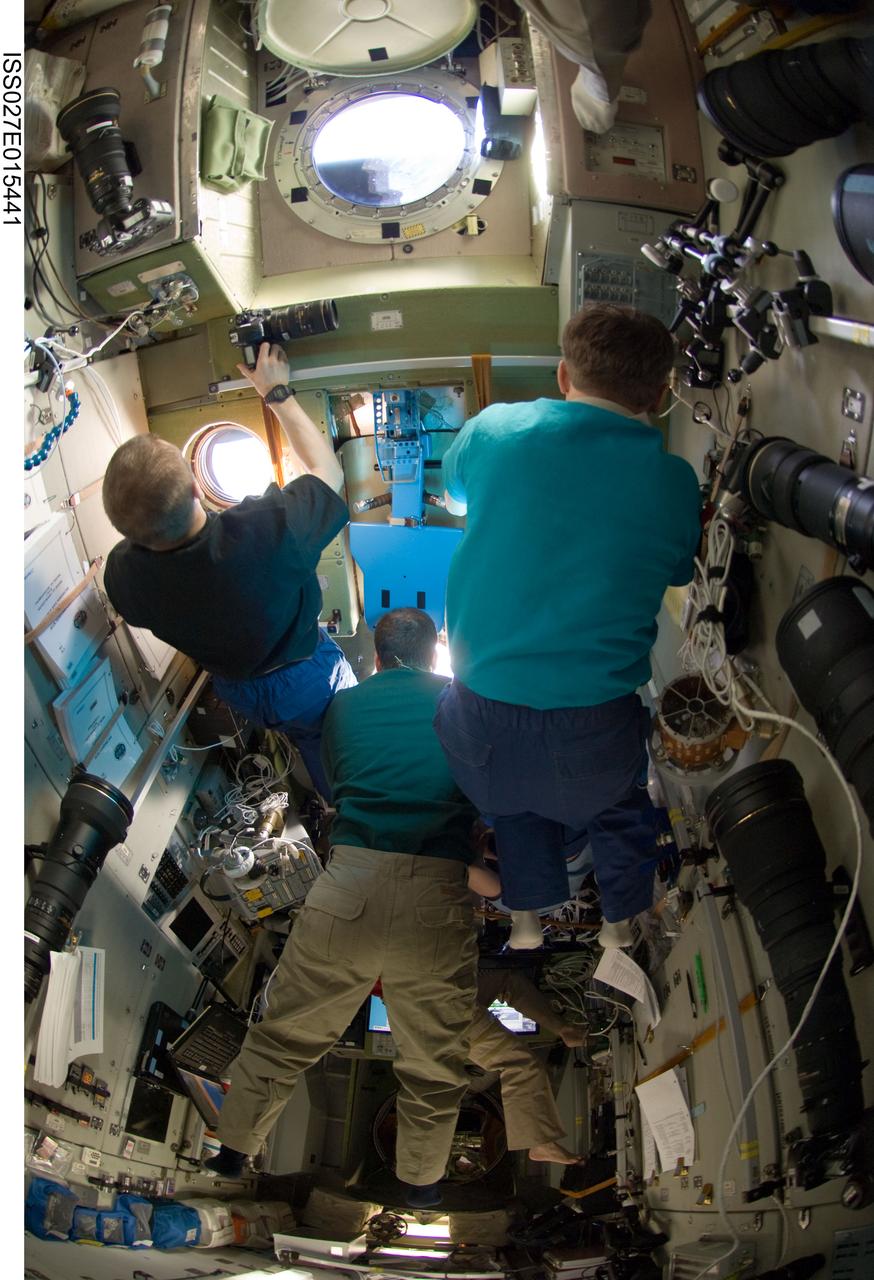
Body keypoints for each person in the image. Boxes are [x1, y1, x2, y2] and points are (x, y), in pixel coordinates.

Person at [434, 303, 701, 950]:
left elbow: (457, 495)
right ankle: (617, 921)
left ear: (562, 375)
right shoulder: (673, 481)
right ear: (659, 395)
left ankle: (526, 917)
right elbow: (676, 568)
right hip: (593, 734)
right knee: (618, 807)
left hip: (480, 734)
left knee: (514, 804)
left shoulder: (494, 429)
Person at [207, 609, 481, 1208]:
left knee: (285, 1034)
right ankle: (421, 1184)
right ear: (435, 654)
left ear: (376, 658)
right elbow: (482, 789)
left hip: (349, 885)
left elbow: (336, 783)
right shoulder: (465, 703)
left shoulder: (344, 708)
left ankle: (233, 1148)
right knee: (434, 1062)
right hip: (434, 896)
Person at [101, 342, 356, 795]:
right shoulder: (264, 533)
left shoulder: (123, 577)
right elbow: (328, 474)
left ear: (126, 529)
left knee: (307, 739)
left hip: (238, 690)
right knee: (340, 742)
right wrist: (276, 392)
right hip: (305, 678)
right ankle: (348, 802)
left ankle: (334, 804)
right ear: (198, 489)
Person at [469, 968, 585, 1165]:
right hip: (440, 1003)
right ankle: (541, 1145)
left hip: (447, 983)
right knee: (519, 1064)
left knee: (508, 980)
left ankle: (565, 1030)